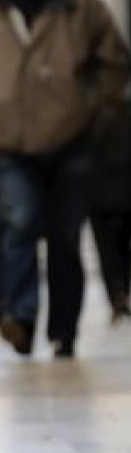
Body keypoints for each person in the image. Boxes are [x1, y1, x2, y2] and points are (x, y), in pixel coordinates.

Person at [0, 0, 130, 358]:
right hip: (10, 142)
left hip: (72, 140)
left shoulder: (82, 5)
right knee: (19, 223)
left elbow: (115, 64)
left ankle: (63, 330)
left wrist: (87, 107)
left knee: (64, 239)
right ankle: (20, 316)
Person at [88, 96, 131, 325]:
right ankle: (117, 294)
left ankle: (117, 293)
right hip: (100, 186)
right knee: (113, 247)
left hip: (105, 186)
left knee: (112, 248)